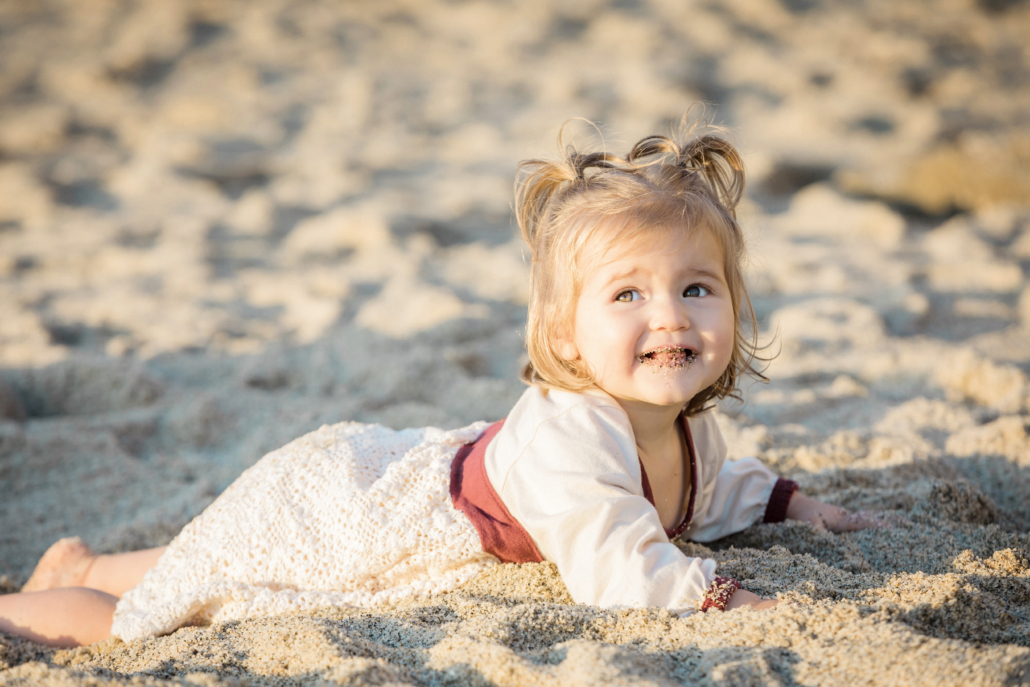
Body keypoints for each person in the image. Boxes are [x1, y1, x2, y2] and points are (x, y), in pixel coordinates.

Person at [0, 125, 891, 648]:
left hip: (378, 477)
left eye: (697, 287)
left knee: (218, 557)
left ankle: (81, 560)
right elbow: (619, 562)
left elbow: (713, 489)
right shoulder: (574, 436)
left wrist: (792, 506)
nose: (671, 316)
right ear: (563, 334)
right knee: (161, 613)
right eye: (628, 294)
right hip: (356, 515)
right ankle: (30, 605)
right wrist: (719, 595)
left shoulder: (686, 425)